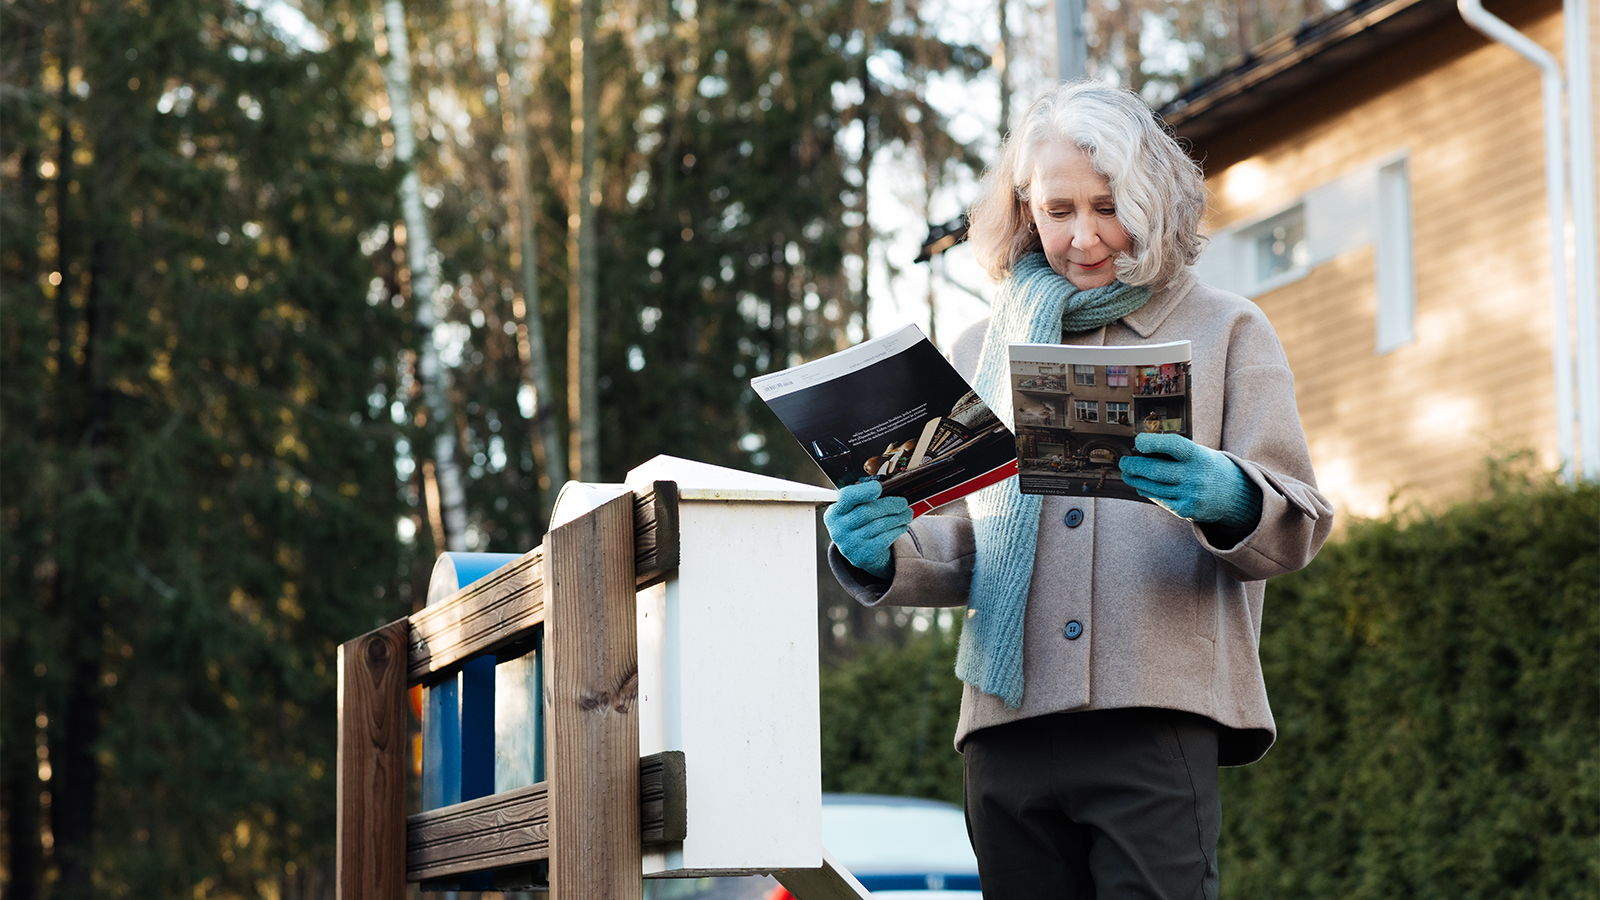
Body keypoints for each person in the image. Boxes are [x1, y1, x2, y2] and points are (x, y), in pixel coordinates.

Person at [821, 81, 1333, 900]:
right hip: (1004, 729)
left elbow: (1300, 522)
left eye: (1110, 205)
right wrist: (882, 550)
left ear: (1155, 199)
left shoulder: (1228, 328)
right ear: (1026, 209)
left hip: (1156, 719)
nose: (1084, 236)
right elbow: (971, 542)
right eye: (1059, 210)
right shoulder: (980, 345)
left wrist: (1229, 493)